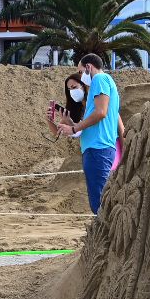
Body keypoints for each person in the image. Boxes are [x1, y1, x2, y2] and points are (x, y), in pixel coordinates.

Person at [57, 53, 121, 214]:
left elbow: (101, 113)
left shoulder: (99, 79)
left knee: (99, 204)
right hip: (99, 147)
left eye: (80, 72)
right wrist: (73, 126)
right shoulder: (107, 81)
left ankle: (108, 237)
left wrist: (73, 128)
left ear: (88, 67)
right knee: (100, 200)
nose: (80, 76)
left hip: (98, 148)